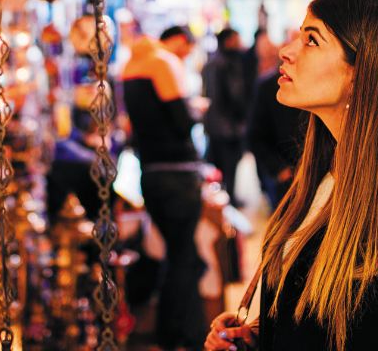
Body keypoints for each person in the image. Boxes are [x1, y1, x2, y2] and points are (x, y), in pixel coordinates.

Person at [205, 0, 378, 351]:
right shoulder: (320, 176)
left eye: (311, 40)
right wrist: (258, 336)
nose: (286, 52)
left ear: (360, 71)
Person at [122, 25, 205, 350]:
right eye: (186, 49)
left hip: (152, 174)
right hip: (177, 175)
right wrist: (194, 111)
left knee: (180, 254)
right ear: (179, 41)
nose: (184, 56)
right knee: (184, 257)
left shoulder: (131, 65)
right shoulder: (162, 62)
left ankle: (179, 332)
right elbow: (182, 122)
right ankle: (178, 335)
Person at [247, 65, 308, 209]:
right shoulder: (269, 86)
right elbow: (255, 135)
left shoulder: (318, 85)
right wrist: (279, 169)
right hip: (288, 177)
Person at [202, 28, 248, 204]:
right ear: (228, 41)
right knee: (229, 165)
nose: (239, 43)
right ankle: (229, 201)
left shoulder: (211, 62)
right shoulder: (227, 63)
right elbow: (234, 95)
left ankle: (223, 200)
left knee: (219, 165)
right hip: (228, 126)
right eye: (237, 39)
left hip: (215, 124)